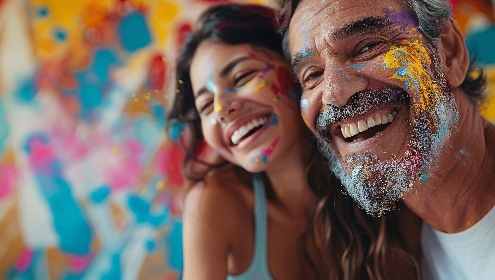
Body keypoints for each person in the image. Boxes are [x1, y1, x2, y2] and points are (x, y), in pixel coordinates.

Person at [167, 3, 420, 280]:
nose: (222, 110)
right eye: (206, 106)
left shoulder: (379, 169)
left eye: (242, 77)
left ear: (297, 70)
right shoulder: (214, 204)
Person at [279, 0, 495, 278]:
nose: (334, 93)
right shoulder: (385, 251)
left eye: (367, 47)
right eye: (313, 75)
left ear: (449, 51)